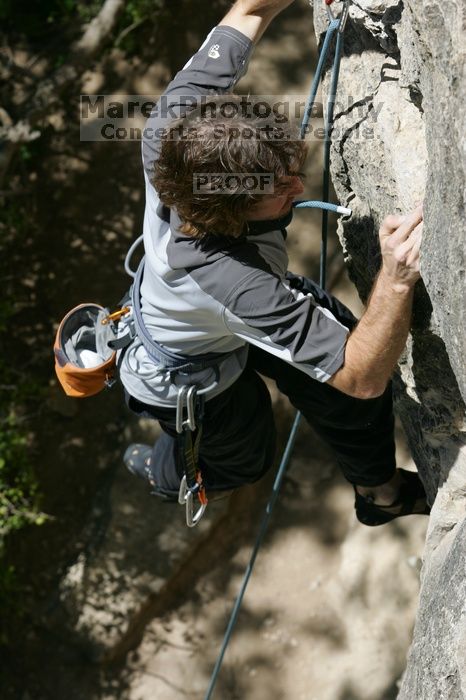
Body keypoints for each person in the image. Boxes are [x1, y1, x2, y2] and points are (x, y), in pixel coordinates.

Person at [120, 0, 430, 526]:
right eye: (279, 187)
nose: (299, 186)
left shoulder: (175, 127)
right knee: (245, 456)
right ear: (230, 215)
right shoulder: (232, 281)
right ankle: (166, 471)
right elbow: (361, 375)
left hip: (207, 318)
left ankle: (383, 495)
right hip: (188, 377)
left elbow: (246, 13)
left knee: (345, 388)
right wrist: (396, 279)